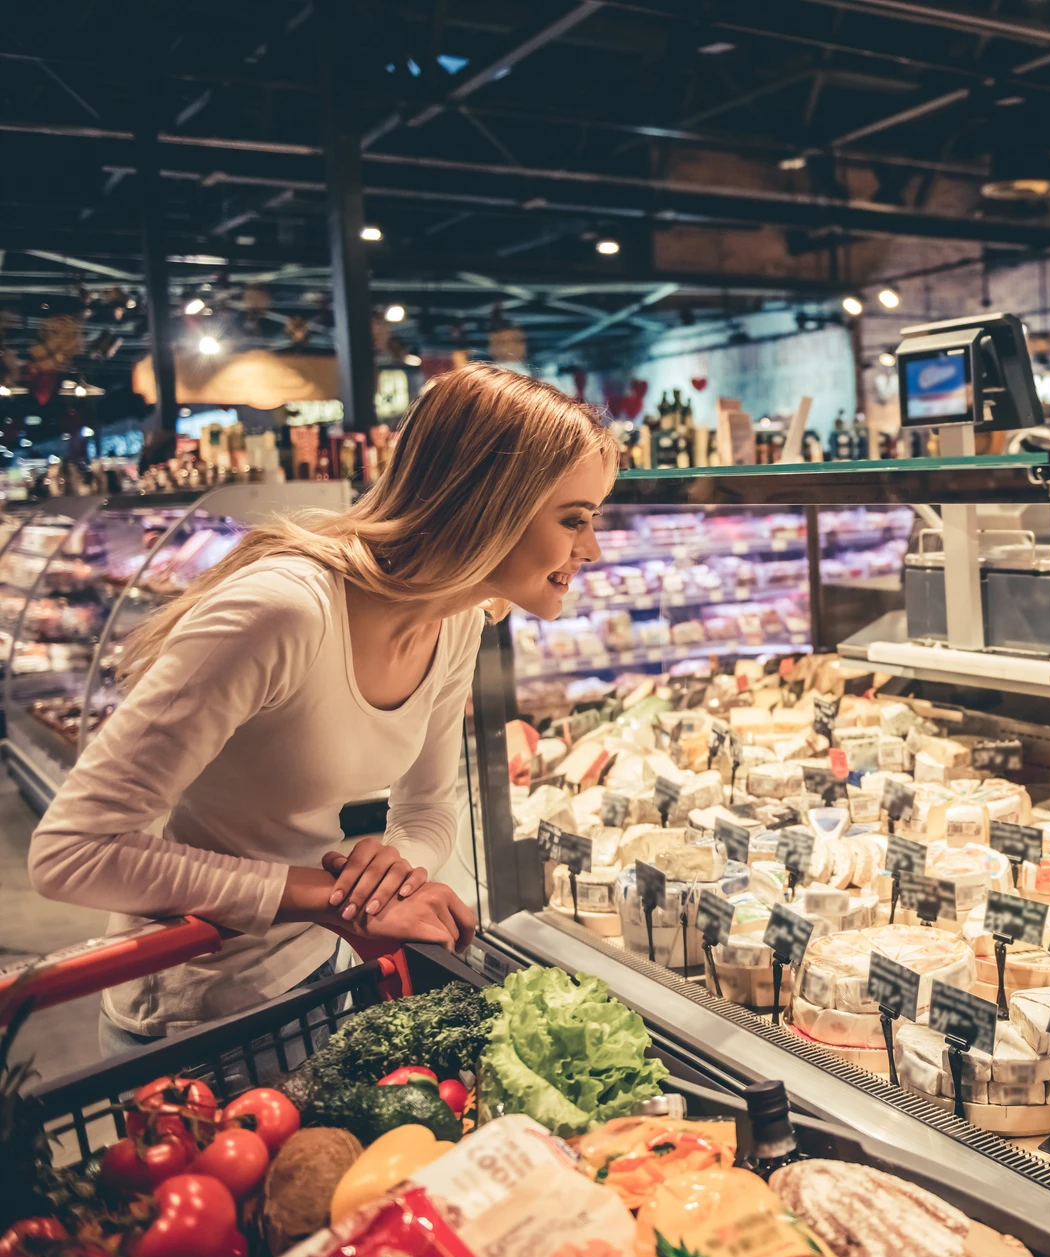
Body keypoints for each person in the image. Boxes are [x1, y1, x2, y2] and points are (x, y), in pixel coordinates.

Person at [30, 364, 615, 1051]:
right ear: (486, 505)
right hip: (192, 1009)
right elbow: (71, 853)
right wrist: (332, 897)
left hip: (319, 973)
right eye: (573, 519)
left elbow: (427, 808)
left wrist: (386, 871)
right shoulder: (284, 611)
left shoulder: (457, 617)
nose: (592, 549)